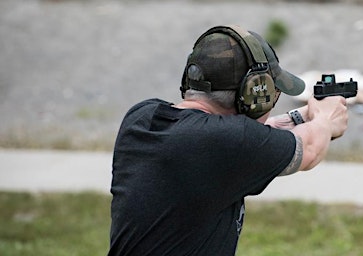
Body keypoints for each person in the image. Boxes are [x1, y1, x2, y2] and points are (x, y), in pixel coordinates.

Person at [108, 25, 348, 256]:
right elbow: (310, 148)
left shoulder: (141, 118)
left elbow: (246, 140)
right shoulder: (229, 142)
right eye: (272, 93)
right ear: (254, 92)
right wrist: (326, 117)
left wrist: (302, 117)